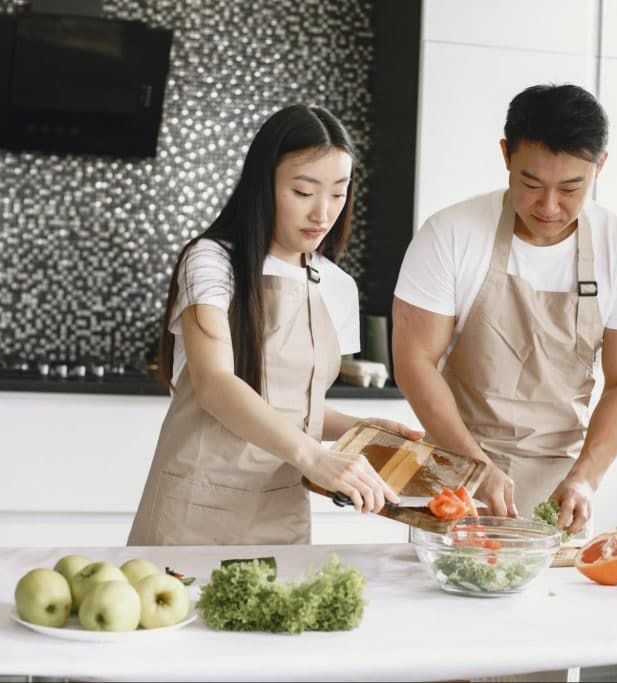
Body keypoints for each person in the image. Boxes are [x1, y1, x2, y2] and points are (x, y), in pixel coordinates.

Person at [129, 105, 422, 546]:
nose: (323, 214)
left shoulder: (335, 285)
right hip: (197, 508)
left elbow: (291, 406)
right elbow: (214, 384)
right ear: (264, 184)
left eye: (338, 194)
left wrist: (359, 429)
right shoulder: (211, 261)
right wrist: (315, 457)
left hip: (281, 510)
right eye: (304, 192)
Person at [392, 84, 617, 536]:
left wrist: (586, 479)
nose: (550, 207)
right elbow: (414, 362)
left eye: (572, 187)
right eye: (531, 184)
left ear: (601, 166)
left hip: (558, 485)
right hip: (456, 478)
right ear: (506, 157)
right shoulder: (451, 234)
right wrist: (475, 467)